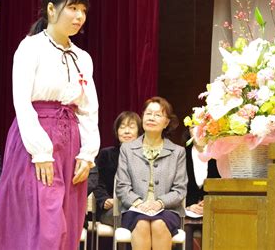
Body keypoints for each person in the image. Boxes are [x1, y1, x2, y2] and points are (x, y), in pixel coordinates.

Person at [0, 0, 100, 250]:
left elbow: (89, 108)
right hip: (36, 140)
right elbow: (22, 103)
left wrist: (87, 153)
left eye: (83, 10)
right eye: (72, 8)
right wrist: (42, 152)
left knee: (67, 222)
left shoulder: (83, 57)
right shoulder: (30, 47)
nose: (79, 16)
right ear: (51, 9)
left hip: (72, 142)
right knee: (45, 225)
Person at [116, 96, 187, 250]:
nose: (151, 118)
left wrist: (158, 203)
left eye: (157, 115)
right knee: (141, 224)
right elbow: (122, 186)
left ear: (166, 122)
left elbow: (180, 189)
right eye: (148, 114)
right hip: (135, 208)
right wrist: (140, 204)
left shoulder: (178, 152)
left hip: (167, 209)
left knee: (159, 224)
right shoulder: (127, 149)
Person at [93, 111, 142, 226]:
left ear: (139, 131)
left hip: (138, 209)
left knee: (142, 219)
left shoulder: (145, 156)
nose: (126, 131)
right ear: (117, 131)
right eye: (122, 127)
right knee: (135, 220)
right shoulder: (106, 154)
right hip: (111, 209)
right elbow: (97, 182)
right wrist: (104, 199)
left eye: (131, 127)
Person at [183, 129, 220, 216]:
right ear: (188, 130)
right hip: (188, 211)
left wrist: (209, 202)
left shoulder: (219, 154)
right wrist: (189, 206)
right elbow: (177, 186)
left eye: (201, 125)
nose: (198, 130)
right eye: (193, 127)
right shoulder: (181, 154)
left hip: (215, 209)